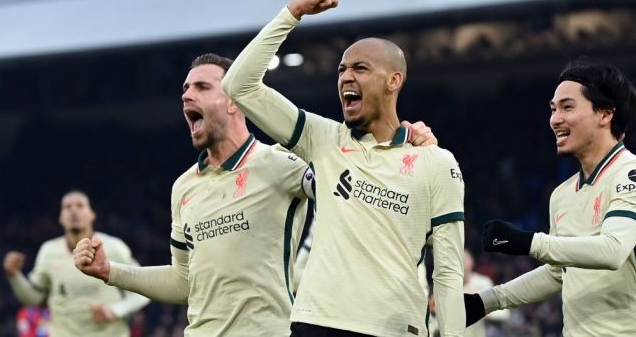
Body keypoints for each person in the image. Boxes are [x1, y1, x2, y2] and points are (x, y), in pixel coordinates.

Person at [73, 53, 437, 336]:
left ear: (235, 101)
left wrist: (400, 146)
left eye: (202, 87)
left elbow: (357, 184)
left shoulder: (282, 164)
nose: (187, 94)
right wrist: (110, 272)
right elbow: (184, 282)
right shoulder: (183, 187)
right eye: (185, 89)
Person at [222, 0, 466, 337]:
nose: (346, 76)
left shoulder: (436, 163)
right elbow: (239, 85)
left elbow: (447, 273)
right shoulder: (323, 139)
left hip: (394, 328)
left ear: (393, 80)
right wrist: (295, 12)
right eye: (341, 70)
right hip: (317, 323)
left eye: (360, 68)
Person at [465, 58, 636, 336]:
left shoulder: (635, 174)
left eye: (567, 107)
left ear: (605, 114)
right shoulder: (562, 195)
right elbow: (557, 273)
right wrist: (486, 301)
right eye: (553, 109)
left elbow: (613, 250)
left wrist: (529, 242)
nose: (555, 119)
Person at [4, 190, 149, 337]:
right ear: (61, 217)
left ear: (92, 214)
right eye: (67, 207)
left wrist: (115, 311)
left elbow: (143, 290)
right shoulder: (48, 252)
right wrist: (14, 276)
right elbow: (34, 299)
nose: (74, 210)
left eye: (80, 206)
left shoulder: (114, 247)